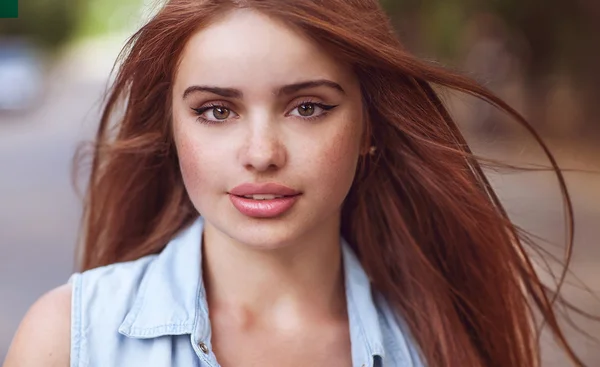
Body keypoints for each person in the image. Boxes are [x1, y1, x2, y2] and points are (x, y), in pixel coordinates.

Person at [3, 0, 585, 366]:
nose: (261, 154)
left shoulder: (443, 341)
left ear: (367, 128)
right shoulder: (69, 339)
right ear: (172, 132)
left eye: (308, 107)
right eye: (216, 111)